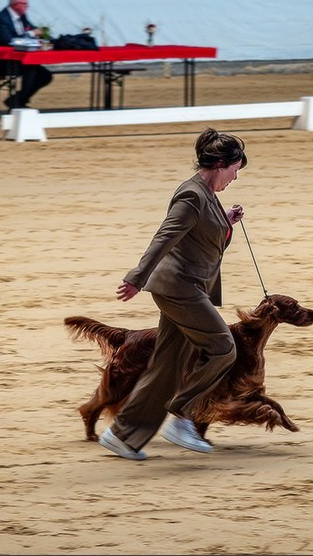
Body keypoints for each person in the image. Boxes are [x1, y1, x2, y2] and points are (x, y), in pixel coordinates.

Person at [98, 128, 247, 461]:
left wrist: (226, 222)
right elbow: (163, 238)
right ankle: (182, 416)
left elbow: (201, 233)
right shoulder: (192, 194)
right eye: (234, 170)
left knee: (166, 366)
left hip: (186, 287)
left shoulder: (207, 195)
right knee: (223, 347)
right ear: (220, 164)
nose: (234, 178)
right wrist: (137, 277)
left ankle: (122, 436)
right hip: (181, 289)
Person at [0, 0, 52, 110]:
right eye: (25, 4)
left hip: (19, 61)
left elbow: (31, 30)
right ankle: (18, 103)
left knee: (45, 75)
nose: (27, 6)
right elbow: (9, 41)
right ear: (16, 5)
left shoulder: (22, 17)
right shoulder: (2, 19)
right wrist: (32, 33)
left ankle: (17, 100)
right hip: (2, 62)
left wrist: (43, 36)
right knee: (31, 69)